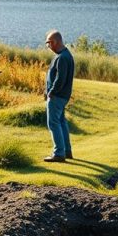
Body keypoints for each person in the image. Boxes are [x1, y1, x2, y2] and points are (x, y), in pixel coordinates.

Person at [43, 30, 74, 163]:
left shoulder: (62, 57)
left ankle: (59, 153)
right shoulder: (65, 55)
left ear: (55, 42)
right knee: (61, 122)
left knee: (53, 123)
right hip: (62, 96)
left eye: (48, 43)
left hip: (57, 96)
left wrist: (52, 92)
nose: (48, 46)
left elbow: (60, 79)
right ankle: (67, 151)